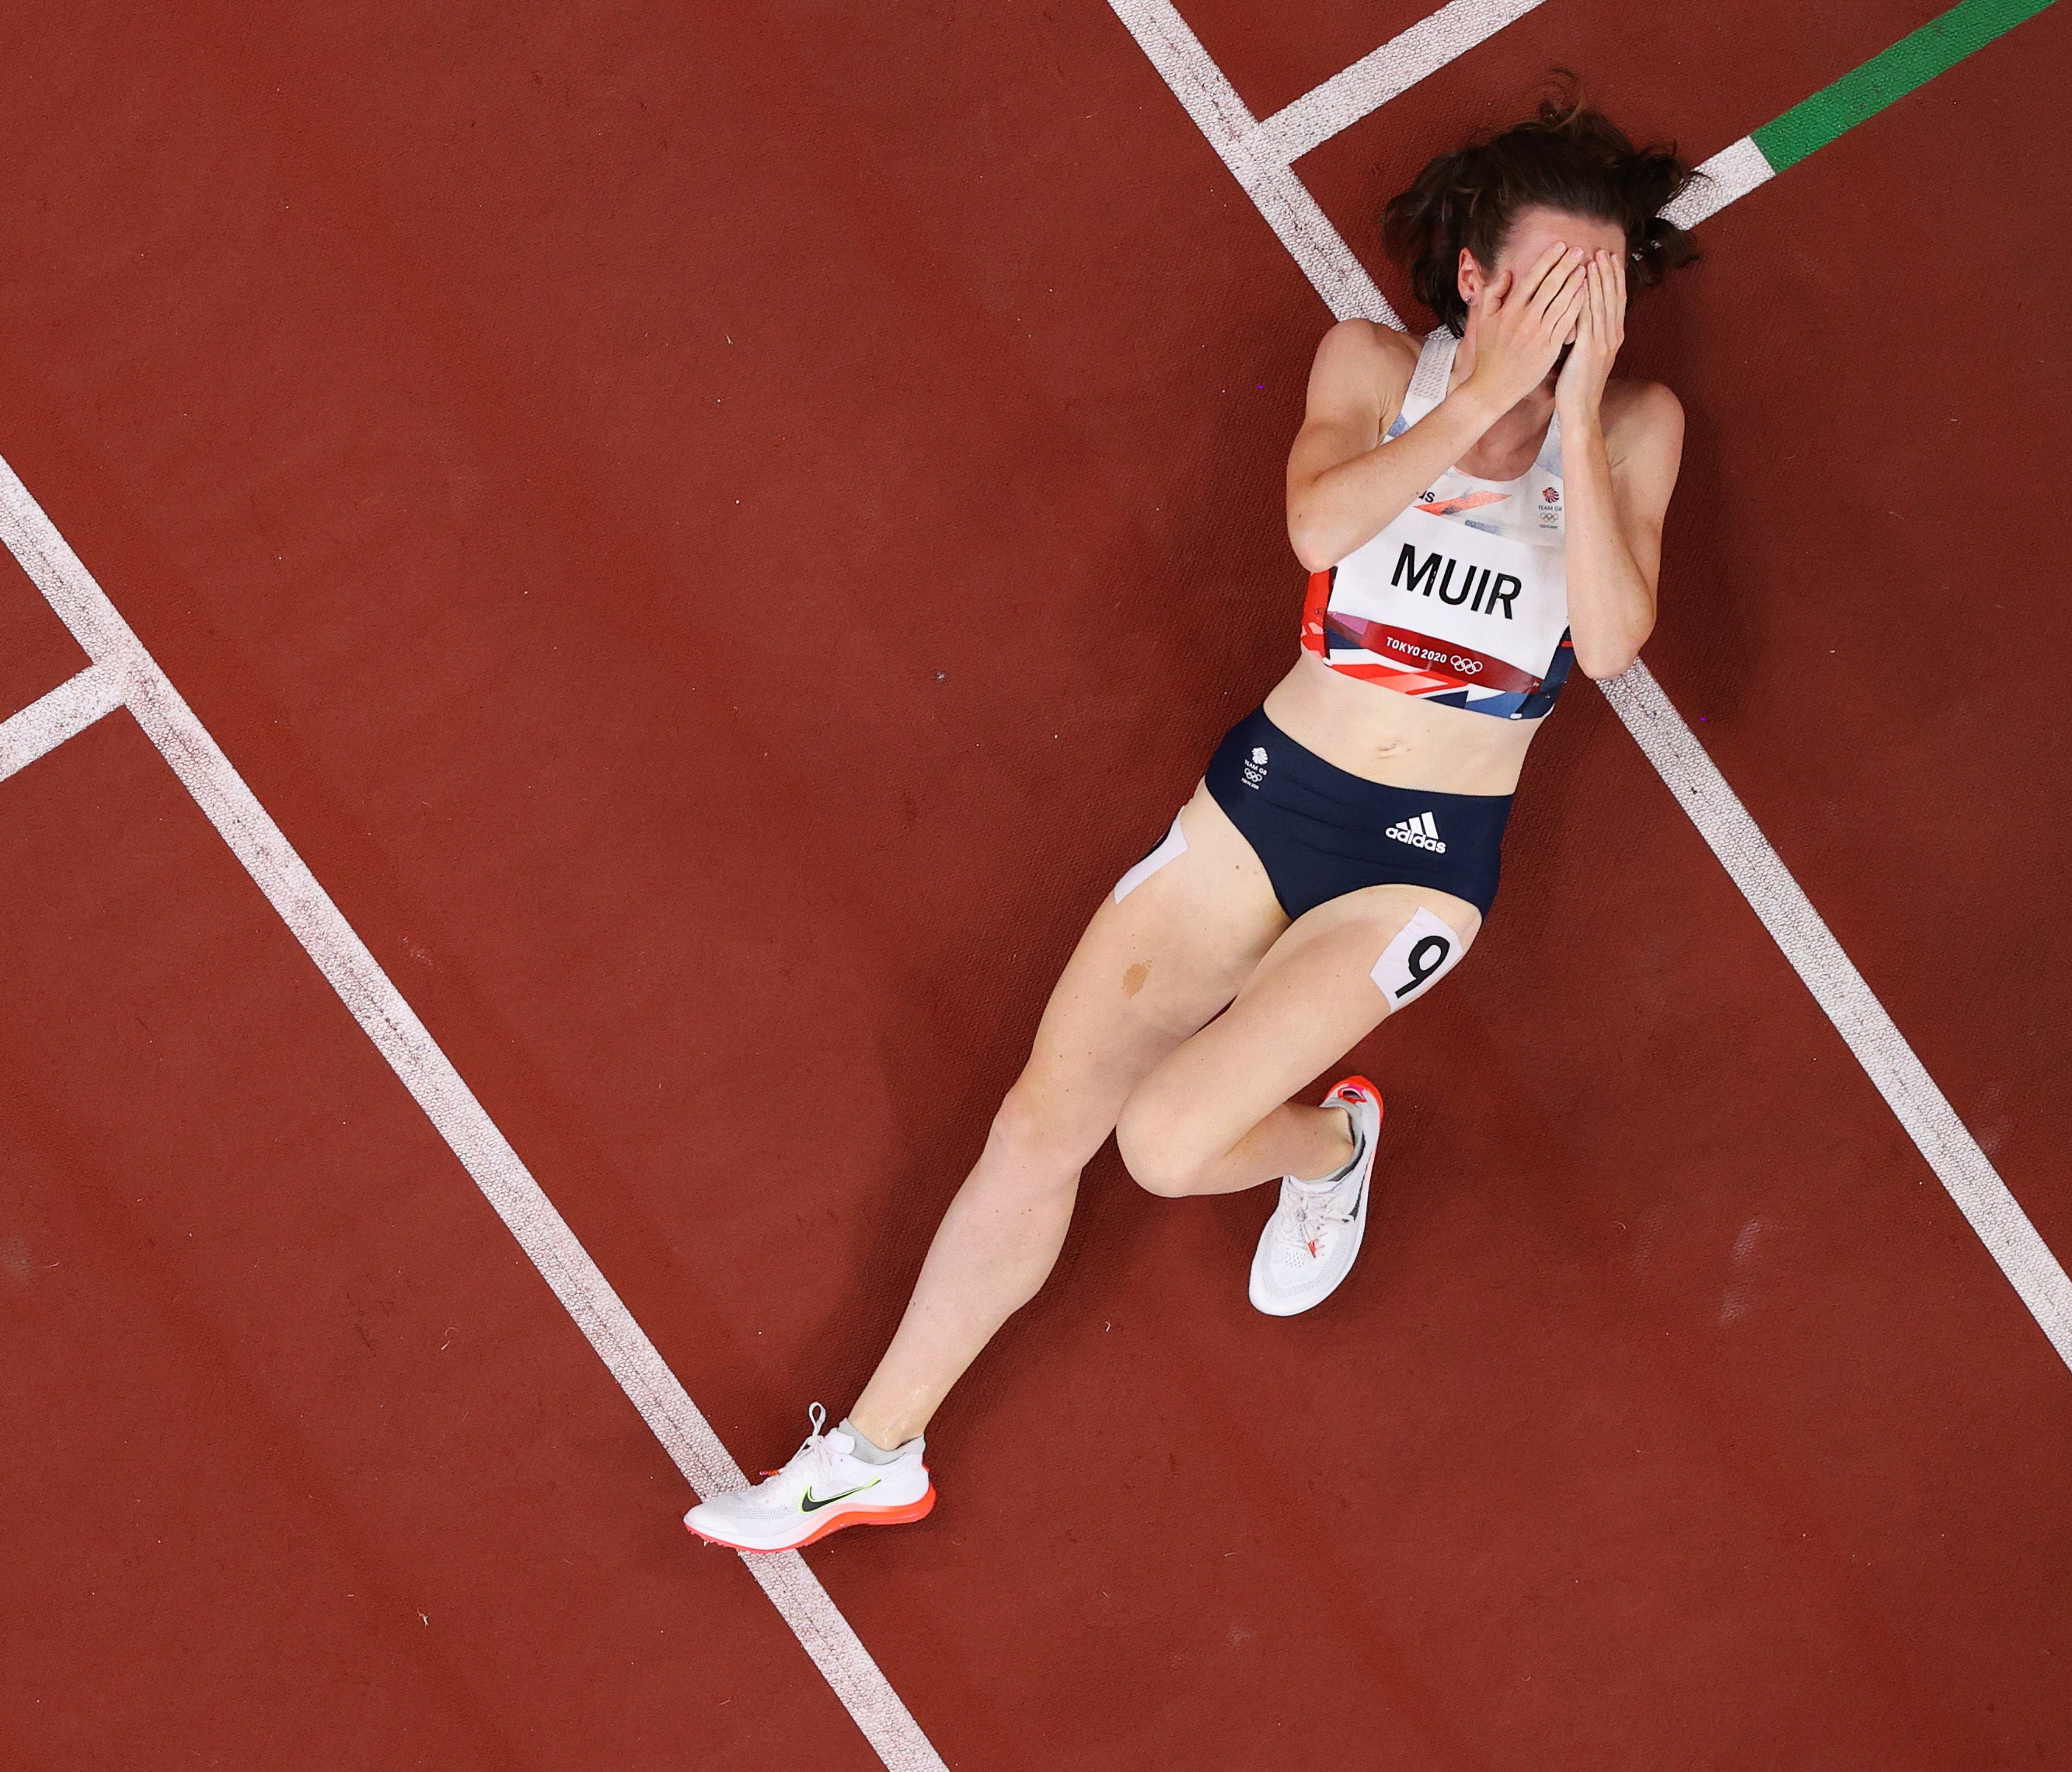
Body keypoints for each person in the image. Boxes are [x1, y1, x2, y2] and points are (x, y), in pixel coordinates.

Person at [685, 79, 1697, 1552]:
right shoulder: (1372, 365)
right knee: (1041, 1121)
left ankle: (1331, 1155)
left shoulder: (1634, 431)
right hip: (1263, 805)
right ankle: (876, 1454)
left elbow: (1607, 643)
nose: (1567, 314)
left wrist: (1578, 415)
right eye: (1543, 282)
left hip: (1412, 870)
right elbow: (1318, 527)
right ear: (1476, 279)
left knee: (1163, 1145)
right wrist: (1480, 402)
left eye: (1594, 292)